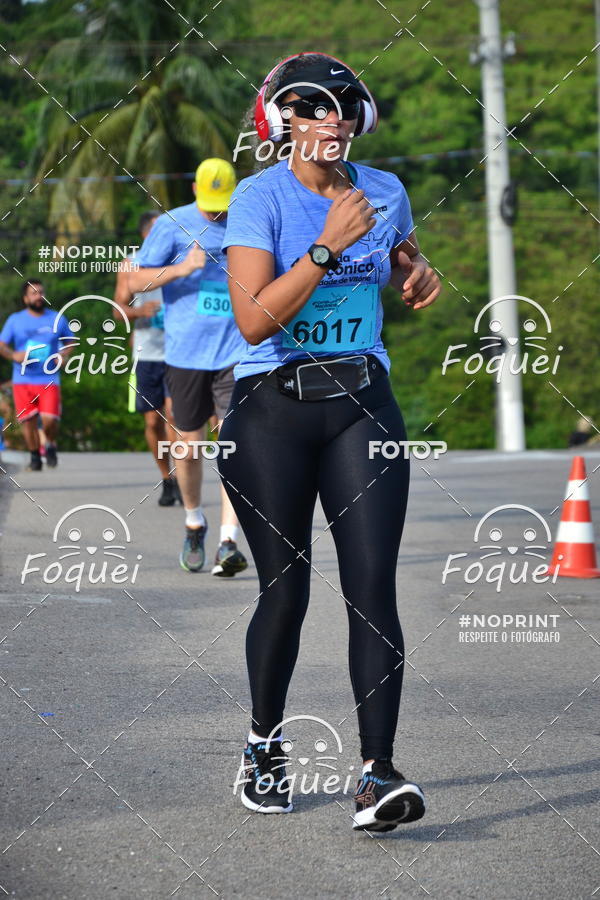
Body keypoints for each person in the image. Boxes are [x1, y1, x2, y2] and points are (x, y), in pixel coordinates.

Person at [218, 53, 441, 831]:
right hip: (270, 412)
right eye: (312, 106)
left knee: (372, 590)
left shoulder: (385, 191)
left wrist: (418, 270)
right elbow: (252, 320)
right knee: (287, 592)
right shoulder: (258, 198)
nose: (333, 117)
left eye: (345, 104)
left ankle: (377, 775)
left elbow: (400, 253)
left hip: (362, 406)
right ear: (280, 121)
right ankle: (263, 747)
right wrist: (323, 246)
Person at [128, 159, 248, 577]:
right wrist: (182, 268)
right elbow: (132, 283)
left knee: (234, 444)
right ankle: (195, 521)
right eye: (211, 202)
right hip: (185, 355)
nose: (217, 212)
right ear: (194, 188)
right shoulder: (170, 225)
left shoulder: (247, 221)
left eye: (224, 203)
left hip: (236, 352)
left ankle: (229, 541)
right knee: (189, 446)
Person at [114, 211, 181, 506]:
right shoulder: (131, 265)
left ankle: (182, 475)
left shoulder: (180, 262)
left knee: (176, 416)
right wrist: (140, 312)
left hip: (179, 352)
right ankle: (166, 478)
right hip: (146, 352)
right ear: (145, 235)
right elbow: (117, 311)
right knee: (153, 421)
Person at [0, 279, 73, 470]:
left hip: (48, 378)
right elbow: (2, 346)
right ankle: (34, 457)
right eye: (34, 293)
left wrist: (62, 356)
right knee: (28, 421)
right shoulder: (15, 320)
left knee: (49, 420)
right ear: (26, 299)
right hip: (22, 379)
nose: (39, 296)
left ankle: (50, 444)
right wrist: (14, 355)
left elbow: (71, 342)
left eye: (41, 292)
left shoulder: (57, 318)